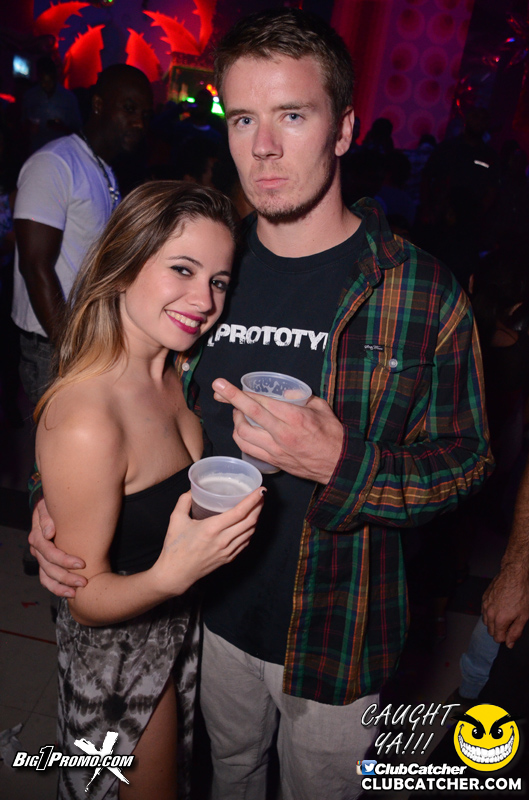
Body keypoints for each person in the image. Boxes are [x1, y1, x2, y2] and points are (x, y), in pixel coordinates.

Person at [30, 9, 493, 800]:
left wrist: (342, 464)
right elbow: (127, 395)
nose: (264, 147)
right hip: (207, 623)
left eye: (292, 116)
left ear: (343, 130)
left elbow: (467, 461)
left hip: (335, 638)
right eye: (243, 118)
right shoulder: (210, 267)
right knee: (227, 779)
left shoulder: (419, 291)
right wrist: (65, 501)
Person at [34, 180, 264, 800]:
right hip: (121, 658)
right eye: (182, 270)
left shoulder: (178, 368)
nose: (205, 300)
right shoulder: (87, 418)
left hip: (178, 629)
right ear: (124, 264)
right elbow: (83, 599)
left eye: (219, 281)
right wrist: (173, 574)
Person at [12, 64, 153, 407]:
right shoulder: (55, 163)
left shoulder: (103, 169)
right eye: (129, 109)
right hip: (53, 345)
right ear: (99, 105)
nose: (138, 122)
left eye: (145, 114)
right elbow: (34, 266)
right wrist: (69, 350)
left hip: (85, 340)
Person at [22, 56, 82, 154]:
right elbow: (23, 122)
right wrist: (29, 126)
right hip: (36, 151)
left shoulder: (69, 98)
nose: (46, 85)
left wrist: (62, 127)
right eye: (43, 81)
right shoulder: (30, 96)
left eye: (49, 81)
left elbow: (78, 129)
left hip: (60, 152)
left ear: (55, 77)